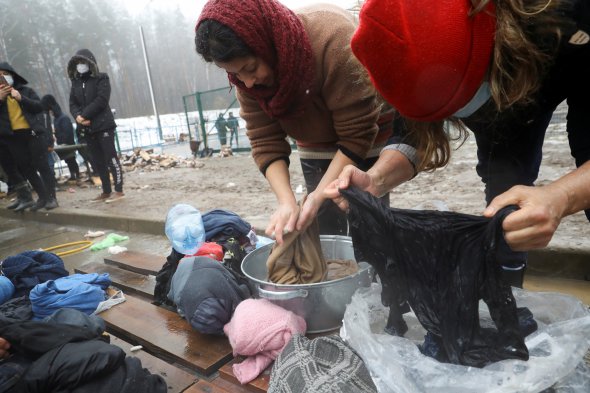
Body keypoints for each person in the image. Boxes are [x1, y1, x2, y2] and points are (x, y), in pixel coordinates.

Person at [325, 0, 590, 287]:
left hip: (564, 47)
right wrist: (376, 180)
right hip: (502, 92)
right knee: (505, 198)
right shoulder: (403, 39)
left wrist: (562, 197)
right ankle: (506, 292)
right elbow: (412, 135)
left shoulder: (570, 8)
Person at [195, 0, 393, 244]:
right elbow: (264, 140)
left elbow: (356, 135)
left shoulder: (334, 38)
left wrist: (318, 196)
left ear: (267, 45)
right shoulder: (245, 81)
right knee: (320, 219)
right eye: (236, 74)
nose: (246, 83)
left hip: (365, 127)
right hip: (312, 135)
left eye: (250, 67)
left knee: (366, 217)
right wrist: (287, 201)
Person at [67, 49, 124, 203]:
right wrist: (78, 117)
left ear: (90, 62)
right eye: (78, 63)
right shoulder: (76, 82)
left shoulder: (101, 78)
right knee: (98, 161)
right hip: (87, 128)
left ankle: (119, 190)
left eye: (83, 62)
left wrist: (84, 115)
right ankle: (106, 190)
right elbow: (72, 103)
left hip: (104, 125)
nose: (80, 65)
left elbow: (101, 100)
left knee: (110, 157)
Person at [0, 62, 58, 211]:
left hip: (32, 133)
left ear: (12, 74)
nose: (3, 77)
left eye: (4, 73)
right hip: (13, 137)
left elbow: (39, 107)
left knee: (42, 165)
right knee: (26, 168)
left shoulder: (26, 91)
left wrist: (21, 98)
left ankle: (52, 198)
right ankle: (42, 197)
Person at [42, 95, 81, 183]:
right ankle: (73, 175)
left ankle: (76, 175)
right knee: (69, 160)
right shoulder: (57, 119)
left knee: (71, 160)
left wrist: (63, 140)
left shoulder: (63, 118)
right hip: (61, 143)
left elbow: (68, 132)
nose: (51, 113)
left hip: (68, 143)